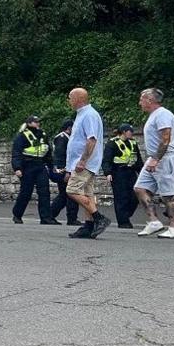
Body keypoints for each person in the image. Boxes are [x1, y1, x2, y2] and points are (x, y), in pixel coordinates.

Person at [134, 88, 174, 239]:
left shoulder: (163, 114)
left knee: (168, 195)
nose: (140, 102)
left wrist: (156, 158)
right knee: (140, 188)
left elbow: (165, 138)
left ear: (150, 100)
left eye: (142, 99)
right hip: (154, 157)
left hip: (164, 158)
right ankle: (153, 221)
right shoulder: (154, 115)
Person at [65, 87, 108, 239]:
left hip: (85, 163)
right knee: (87, 194)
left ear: (78, 98)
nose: (68, 100)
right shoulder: (82, 114)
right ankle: (88, 226)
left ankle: (98, 218)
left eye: (70, 97)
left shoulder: (89, 115)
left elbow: (91, 139)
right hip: (85, 162)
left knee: (72, 190)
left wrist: (82, 161)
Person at [10, 115, 54, 224]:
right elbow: (16, 153)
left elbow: (48, 152)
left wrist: (51, 166)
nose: (38, 123)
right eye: (35, 122)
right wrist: (17, 168)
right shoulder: (22, 136)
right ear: (29, 123)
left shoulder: (43, 135)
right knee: (26, 193)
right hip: (27, 166)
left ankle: (45, 218)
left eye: (38, 121)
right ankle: (17, 215)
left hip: (40, 165)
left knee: (44, 192)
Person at [106, 123, 141, 229]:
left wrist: (142, 172)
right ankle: (123, 221)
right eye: (130, 131)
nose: (132, 133)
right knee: (121, 197)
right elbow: (107, 160)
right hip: (118, 172)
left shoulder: (133, 143)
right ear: (124, 132)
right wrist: (108, 173)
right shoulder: (112, 143)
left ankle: (126, 214)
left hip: (131, 172)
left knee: (135, 196)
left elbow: (138, 159)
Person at [49, 118, 75, 225]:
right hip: (64, 171)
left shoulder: (65, 138)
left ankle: (51, 215)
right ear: (69, 128)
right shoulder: (62, 138)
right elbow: (60, 157)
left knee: (67, 194)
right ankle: (52, 215)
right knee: (68, 194)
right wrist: (66, 171)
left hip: (66, 170)